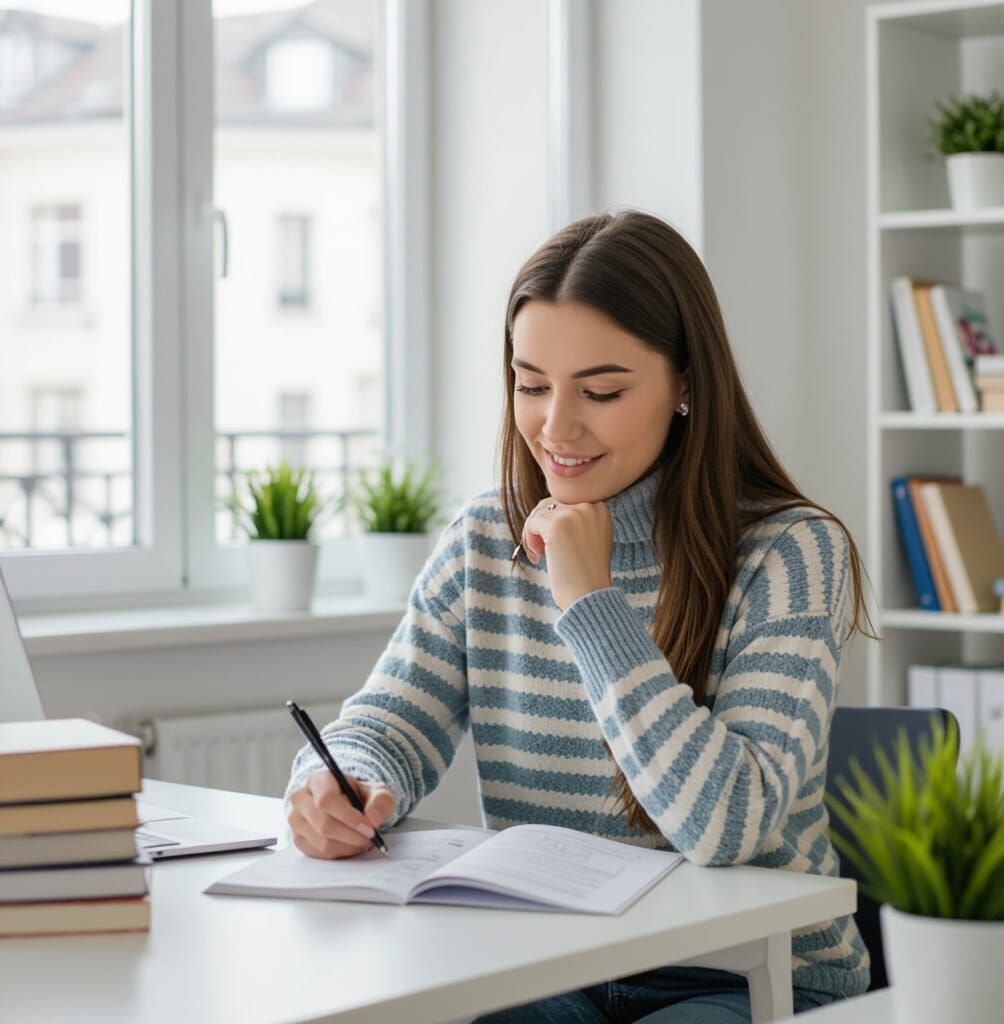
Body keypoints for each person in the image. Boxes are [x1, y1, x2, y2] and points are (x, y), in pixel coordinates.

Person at [285, 210, 872, 1023]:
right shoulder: (484, 542)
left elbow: (727, 825)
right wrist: (337, 783)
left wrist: (591, 602)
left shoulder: (791, 553)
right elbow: (383, 728)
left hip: (744, 976)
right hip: (548, 964)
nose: (555, 429)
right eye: (531, 386)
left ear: (687, 385)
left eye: (601, 391)